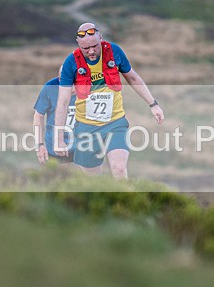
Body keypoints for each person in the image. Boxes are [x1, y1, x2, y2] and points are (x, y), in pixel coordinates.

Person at [53, 22, 164, 178]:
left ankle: (125, 202)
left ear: (100, 38)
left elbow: (132, 78)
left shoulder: (114, 51)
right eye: (86, 49)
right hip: (86, 128)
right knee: (92, 180)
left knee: (119, 169)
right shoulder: (70, 63)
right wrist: (59, 138)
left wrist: (153, 104)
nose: (91, 51)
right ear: (78, 44)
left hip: (115, 123)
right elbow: (63, 102)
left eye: (95, 46)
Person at [33, 66, 76, 166]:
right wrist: (39, 145)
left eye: (74, 80)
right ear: (59, 78)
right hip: (54, 148)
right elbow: (38, 116)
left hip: (82, 147)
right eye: (65, 80)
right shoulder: (50, 87)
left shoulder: (90, 87)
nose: (70, 85)